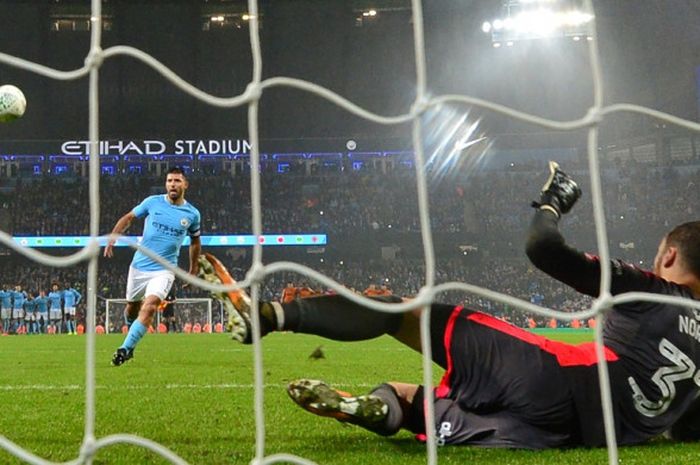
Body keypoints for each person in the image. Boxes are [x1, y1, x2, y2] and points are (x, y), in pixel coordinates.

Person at [211, 161, 700, 448]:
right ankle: (375, 409)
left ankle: (272, 315)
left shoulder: (652, 287)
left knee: (403, 310)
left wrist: (553, 201)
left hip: (556, 376)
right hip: (578, 435)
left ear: (670, 254)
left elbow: (542, 249)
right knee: (417, 398)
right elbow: (685, 432)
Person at [104, 167, 201, 366]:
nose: (173, 184)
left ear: (185, 185)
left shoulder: (192, 214)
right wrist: (114, 236)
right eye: (169, 181)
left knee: (149, 308)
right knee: (132, 308)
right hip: (139, 266)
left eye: (177, 181)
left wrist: (193, 270)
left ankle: (125, 348)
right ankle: (131, 340)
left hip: (165, 270)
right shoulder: (152, 202)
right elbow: (129, 217)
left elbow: (195, 242)